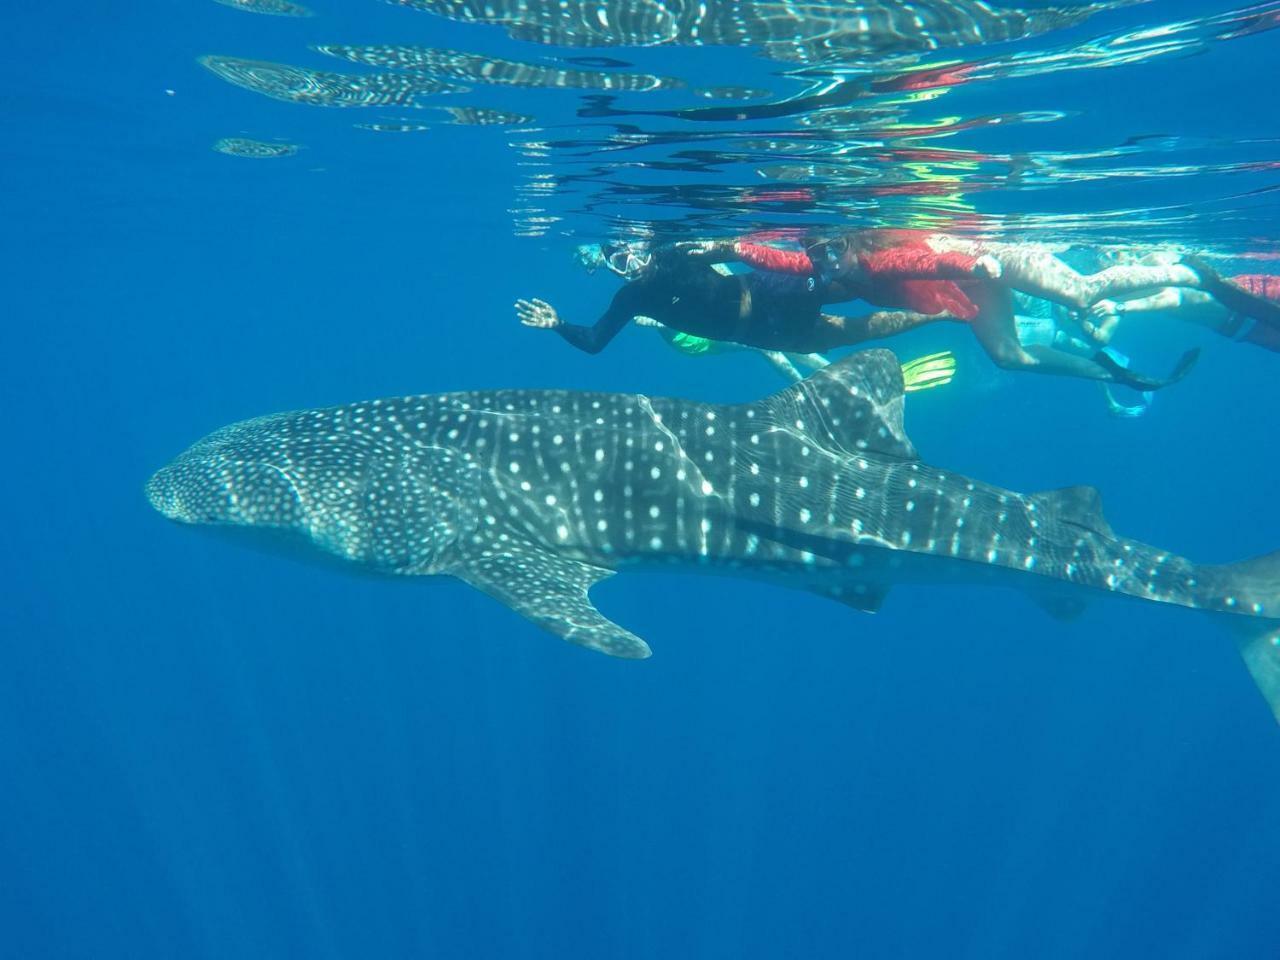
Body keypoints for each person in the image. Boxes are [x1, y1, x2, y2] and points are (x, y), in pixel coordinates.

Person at [715, 229, 1205, 390]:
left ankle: (1179, 271)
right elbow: (770, 258)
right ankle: (1110, 375)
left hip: (990, 259)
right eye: (816, 252)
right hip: (973, 283)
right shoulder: (826, 270)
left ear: (855, 240)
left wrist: (976, 261)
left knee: (1080, 293)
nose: (827, 259)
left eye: (835, 248)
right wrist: (722, 247)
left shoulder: (881, 261)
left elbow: (928, 261)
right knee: (1008, 357)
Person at [516, 240, 945, 355]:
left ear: (641, 246)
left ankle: (936, 265)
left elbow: (722, 246)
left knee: (856, 282)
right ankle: (944, 311)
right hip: (761, 333)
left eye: (629, 253)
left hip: (766, 289)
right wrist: (557, 326)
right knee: (856, 333)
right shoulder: (631, 299)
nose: (628, 264)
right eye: (617, 262)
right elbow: (594, 342)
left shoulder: (672, 252)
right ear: (610, 269)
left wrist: (727, 246)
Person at [632, 313, 959, 391]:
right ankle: (818, 387)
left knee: (786, 344)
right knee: (769, 349)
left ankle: (832, 381)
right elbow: (644, 319)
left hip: (714, 327)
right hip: (701, 338)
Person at [1088, 260, 1280, 353]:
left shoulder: (1154, 264)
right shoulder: (1124, 293)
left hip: (1244, 304)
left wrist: (1121, 307)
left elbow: (1176, 297)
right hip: (1242, 321)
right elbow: (1102, 337)